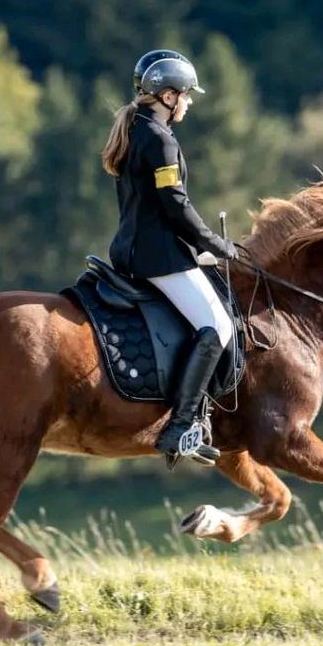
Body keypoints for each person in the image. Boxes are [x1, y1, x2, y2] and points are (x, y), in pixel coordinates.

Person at [101, 49, 238, 464]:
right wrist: (217, 245)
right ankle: (180, 427)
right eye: (186, 95)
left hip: (134, 249)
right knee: (218, 326)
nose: (189, 103)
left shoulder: (137, 129)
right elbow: (175, 206)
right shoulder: (159, 140)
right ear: (167, 96)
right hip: (157, 257)